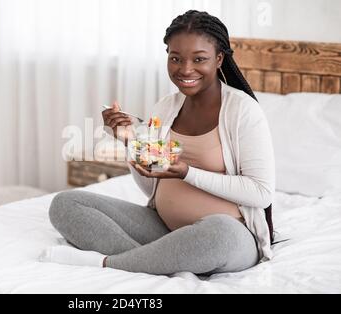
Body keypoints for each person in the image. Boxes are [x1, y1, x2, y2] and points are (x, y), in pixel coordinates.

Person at [40, 10, 275, 276]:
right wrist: (129, 141)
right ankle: (157, 260)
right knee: (66, 204)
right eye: (176, 59)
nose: (185, 69)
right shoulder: (166, 107)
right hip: (163, 227)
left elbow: (261, 192)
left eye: (199, 59)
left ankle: (109, 264)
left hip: (230, 233)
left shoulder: (243, 111)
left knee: (218, 234)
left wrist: (187, 173)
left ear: (219, 59)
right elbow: (150, 185)